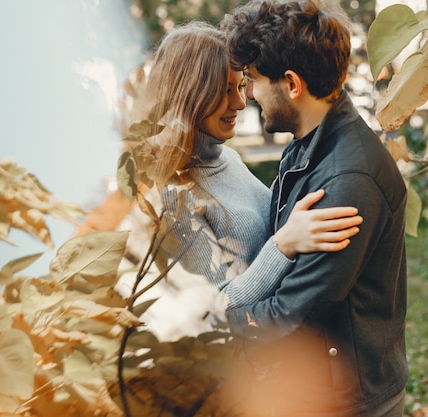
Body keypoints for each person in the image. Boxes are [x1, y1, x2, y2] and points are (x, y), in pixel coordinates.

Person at [220, 1, 409, 416]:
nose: (249, 94)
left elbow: (290, 315)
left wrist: (213, 319)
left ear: (291, 84)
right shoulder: (309, 146)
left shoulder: (348, 181)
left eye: (252, 80)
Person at [119, 20, 363, 340]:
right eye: (223, 91)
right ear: (191, 95)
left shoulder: (226, 158)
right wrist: (284, 245)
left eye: (240, 85)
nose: (239, 102)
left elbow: (259, 221)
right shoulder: (172, 194)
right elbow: (218, 308)